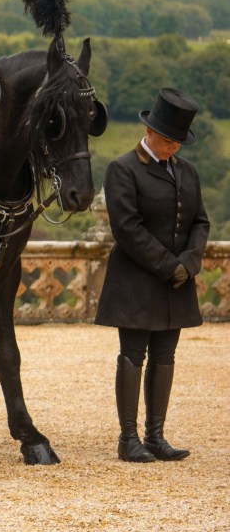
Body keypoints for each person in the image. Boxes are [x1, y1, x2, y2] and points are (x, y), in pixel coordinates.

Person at [95, 88, 209, 463]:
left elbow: (200, 222)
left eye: (178, 142)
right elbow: (127, 228)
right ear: (149, 132)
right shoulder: (122, 169)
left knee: (165, 356)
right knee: (132, 355)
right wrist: (168, 265)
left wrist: (188, 264)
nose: (172, 148)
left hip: (176, 281)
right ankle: (127, 439)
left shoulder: (188, 172)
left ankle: (155, 436)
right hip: (136, 281)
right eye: (167, 141)